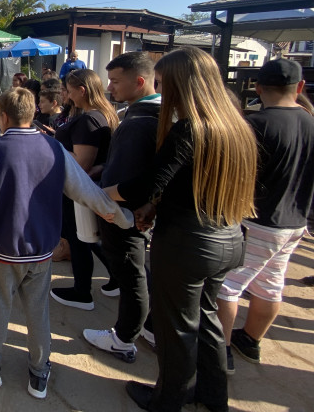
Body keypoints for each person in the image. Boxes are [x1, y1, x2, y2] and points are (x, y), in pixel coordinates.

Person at [104, 47, 256, 412]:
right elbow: (190, 182)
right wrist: (155, 205)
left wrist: (99, 193)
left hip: (188, 247)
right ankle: (211, 395)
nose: (162, 89)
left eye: (165, 83)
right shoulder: (235, 124)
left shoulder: (190, 127)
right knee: (207, 324)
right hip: (228, 239)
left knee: (177, 332)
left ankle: (167, 400)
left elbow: (145, 183)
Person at [0, 87, 127, 399]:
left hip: (4, 252)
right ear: (33, 114)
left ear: (2, 116)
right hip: (42, 252)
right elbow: (85, 190)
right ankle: (39, 374)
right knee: (38, 313)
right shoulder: (54, 149)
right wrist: (119, 216)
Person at [216, 58, 314, 373]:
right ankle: (251, 340)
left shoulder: (256, 125)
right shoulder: (312, 122)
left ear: (257, 88)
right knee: (271, 283)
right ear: (300, 88)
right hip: (296, 221)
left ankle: (222, 352)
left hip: (256, 220)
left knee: (227, 286)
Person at [82, 52, 161, 363]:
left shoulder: (139, 122)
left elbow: (131, 179)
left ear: (140, 81)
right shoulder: (154, 114)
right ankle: (150, 327)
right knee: (138, 273)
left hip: (124, 215)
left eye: (115, 81)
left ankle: (124, 338)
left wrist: (102, 197)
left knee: (132, 276)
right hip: (138, 211)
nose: (109, 88)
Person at [51, 68, 119, 311]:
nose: (66, 96)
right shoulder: (100, 115)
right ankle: (117, 277)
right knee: (88, 238)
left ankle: (82, 292)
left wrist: (53, 148)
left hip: (76, 190)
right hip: (80, 189)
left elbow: (81, 162)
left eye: (69, 91)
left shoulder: (90, 119)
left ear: (82, 90)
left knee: (80, 239)